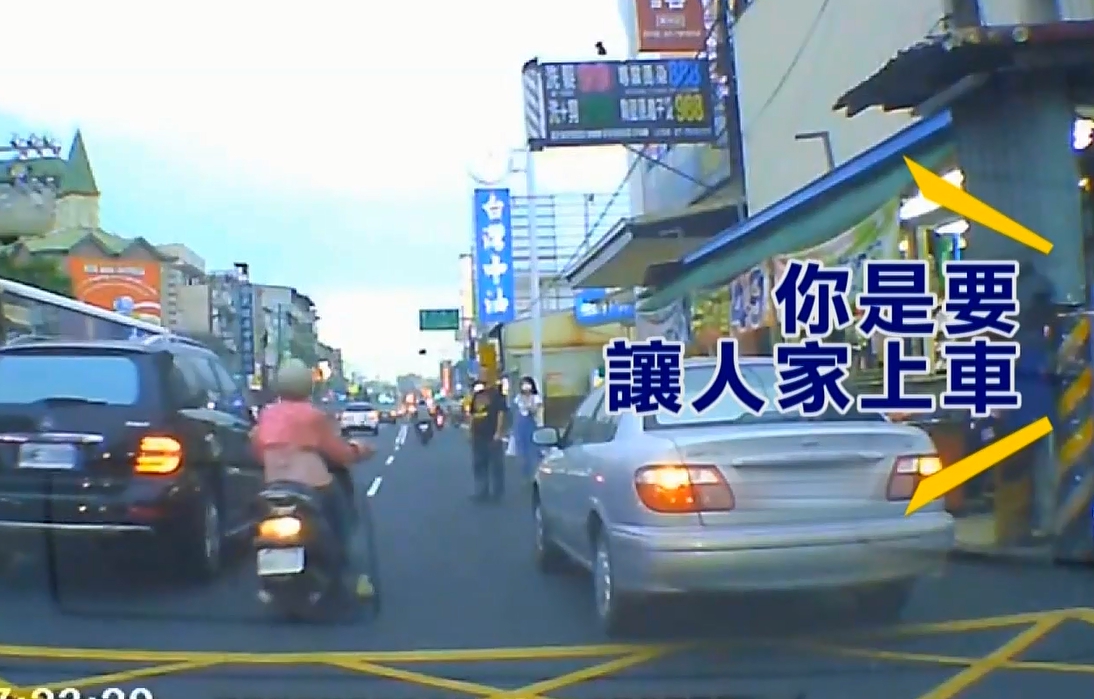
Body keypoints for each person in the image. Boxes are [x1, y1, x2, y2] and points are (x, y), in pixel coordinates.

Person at [250, 358, 376, 594]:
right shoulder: (313, 416)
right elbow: (338, 452)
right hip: (314, 488)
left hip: (274, 487)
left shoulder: (267, 414)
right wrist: (359, 451)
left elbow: (257, 449)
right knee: (343, 523)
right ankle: (347, 577)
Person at [468, 378, 506, 502]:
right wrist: (470, 432)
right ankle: (482, 491)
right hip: (478, 436)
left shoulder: (496, 395)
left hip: (492, 435)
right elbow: (472, 415)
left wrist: (498, 432)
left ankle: (497, 493)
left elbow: (501, 414)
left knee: (496, 466)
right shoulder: (476, 396)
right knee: (479, 464)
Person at [512, 376, 544, 481]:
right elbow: (515, 410)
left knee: (532, 450)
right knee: (521, 451)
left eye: (527, 384)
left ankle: (535, 474)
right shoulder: (518, 397)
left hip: (531, 425)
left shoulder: (536, 397)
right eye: (523, 384)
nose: (525, 386)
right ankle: (524, 474)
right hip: (520, 426)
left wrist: (529, 404)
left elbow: (535, 411)